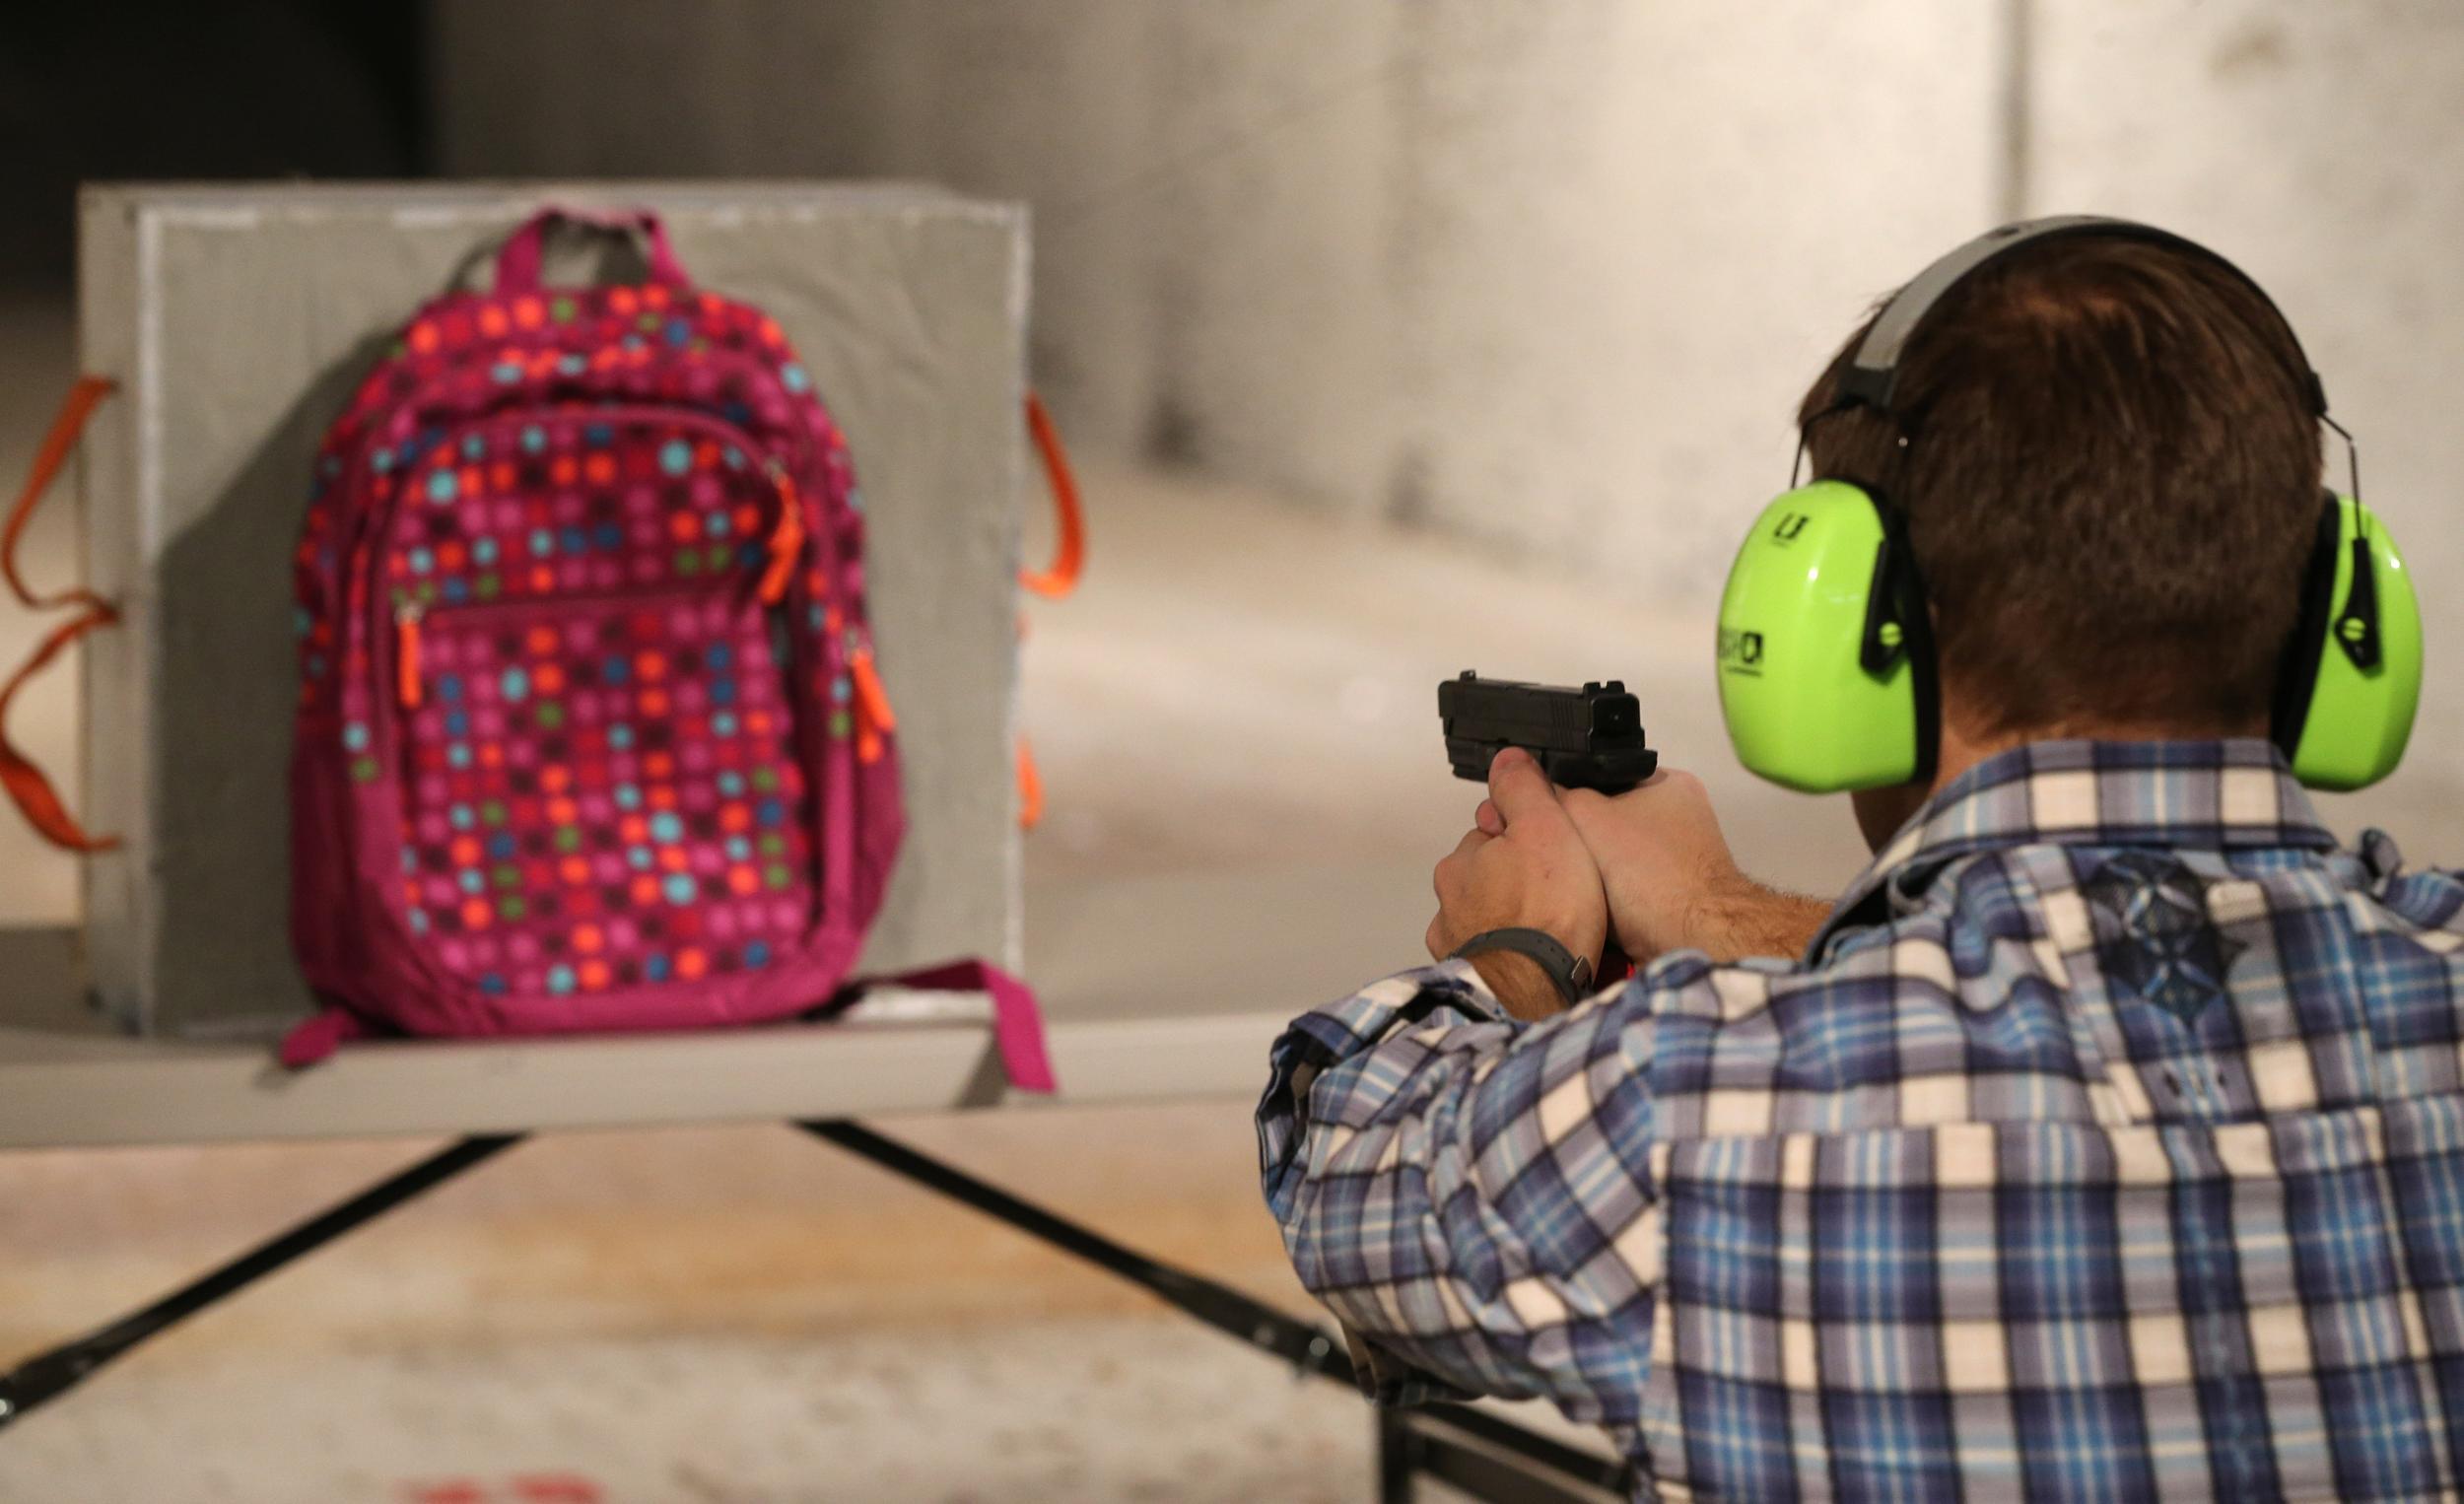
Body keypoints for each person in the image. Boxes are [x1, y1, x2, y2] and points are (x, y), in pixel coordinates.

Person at [1256, 218, 2453, 1501]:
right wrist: (1721, 912)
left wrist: (1524, 952)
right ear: (2342, 615)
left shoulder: (1681, 1115)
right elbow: (2128, 976)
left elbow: (1345, 1169)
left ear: (1833, 620)